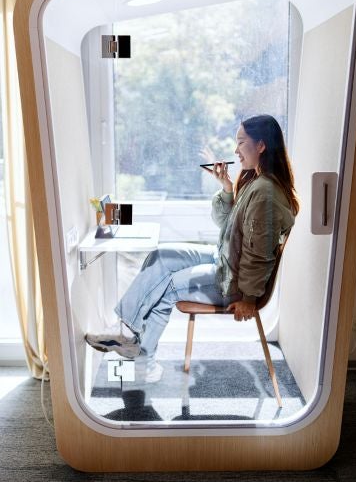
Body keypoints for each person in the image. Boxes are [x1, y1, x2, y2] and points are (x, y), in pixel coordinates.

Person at [85, 114, 299, 383]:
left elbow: (259, 254)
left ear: (261, 146)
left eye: (241, 142)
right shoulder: (254, 182)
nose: (235, 151)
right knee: (160, 256)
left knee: (169, 285)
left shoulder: (265, 192)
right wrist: (226, 188)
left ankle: (139, 355)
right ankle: (128, 334)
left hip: (233, 281)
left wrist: (249, 298)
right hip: (223, 258)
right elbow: (226, 225)